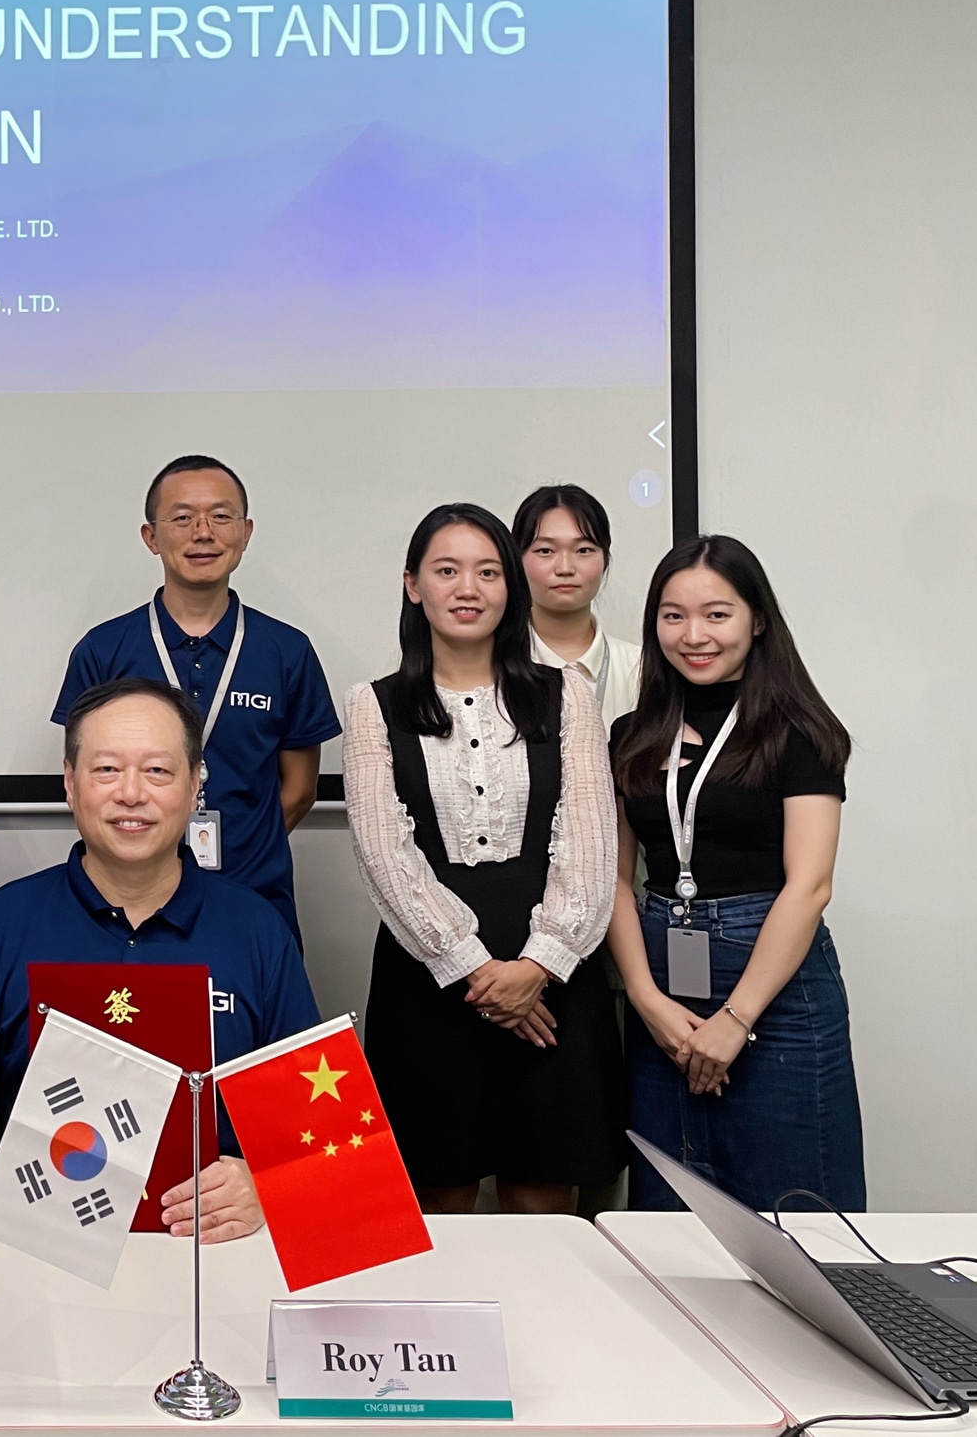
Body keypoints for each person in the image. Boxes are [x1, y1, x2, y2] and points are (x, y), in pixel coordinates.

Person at [0, 677, 321, 1240]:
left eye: (158, 771)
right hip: (41, 1235)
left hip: (209, 1249)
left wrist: (264, 1182)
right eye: (106, 769)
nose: (131, 794)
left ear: (195, 786)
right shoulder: (1, 924)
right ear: (70, 782)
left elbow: (318, 1124)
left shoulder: (257, 930)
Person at [345, 503, 625, 1215]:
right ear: (413, 584)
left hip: (555, 976)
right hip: (429, 979)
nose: (467, 588)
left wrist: (538, 967)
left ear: (510, 587)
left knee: (544, 1193)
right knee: (439, 1196)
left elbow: (591, 842)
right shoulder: (373, 705)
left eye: (488, 572)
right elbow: (384, 854)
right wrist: (476, 972)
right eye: (447, 570)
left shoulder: (566, 694)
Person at [604, 536, 863, 1212]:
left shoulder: (798, 731)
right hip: (662, 981)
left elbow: (810, 885)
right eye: (673, 616)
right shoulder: (631, 734)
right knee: (671, 1216)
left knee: (799, 1218)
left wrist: (736, 1018)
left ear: (758, 621)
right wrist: (645, 999)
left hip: (773, 987)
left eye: (717, 614)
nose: (694, 635)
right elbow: (614, 879)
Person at [51, 455, 340, 943]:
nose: (203, 532)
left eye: (221, 516)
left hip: (255, 895)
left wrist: (244, 852)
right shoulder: (103, 650)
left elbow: (299, 790)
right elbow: (86, 779)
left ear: (246, 533)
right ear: (151, 537)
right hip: (129, 903)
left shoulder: (287, 651)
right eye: (182, 518)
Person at [512, 483, 643, 728]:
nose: (565, 568)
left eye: (583, 550)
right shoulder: (495, 665)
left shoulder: (640, 670)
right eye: (545, 550)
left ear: (605, 561)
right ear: (517, 561)